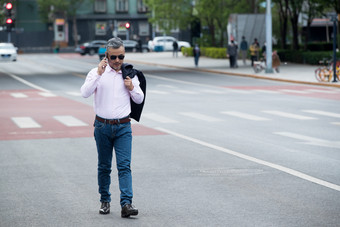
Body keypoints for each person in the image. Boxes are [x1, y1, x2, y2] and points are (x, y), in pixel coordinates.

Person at [80, 37, 145, 218]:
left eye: (121, 57)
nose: (117, 61)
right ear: (106, 56)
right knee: (104, 166)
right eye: (114, 57)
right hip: (102, 126)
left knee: (124, 166)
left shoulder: (129, 74)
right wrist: (99, 74)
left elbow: (139, 99)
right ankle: (105, 200)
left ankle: (126, 204)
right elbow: (84, 93)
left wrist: (132, 87)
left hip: (124, 126)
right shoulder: (96, 73)